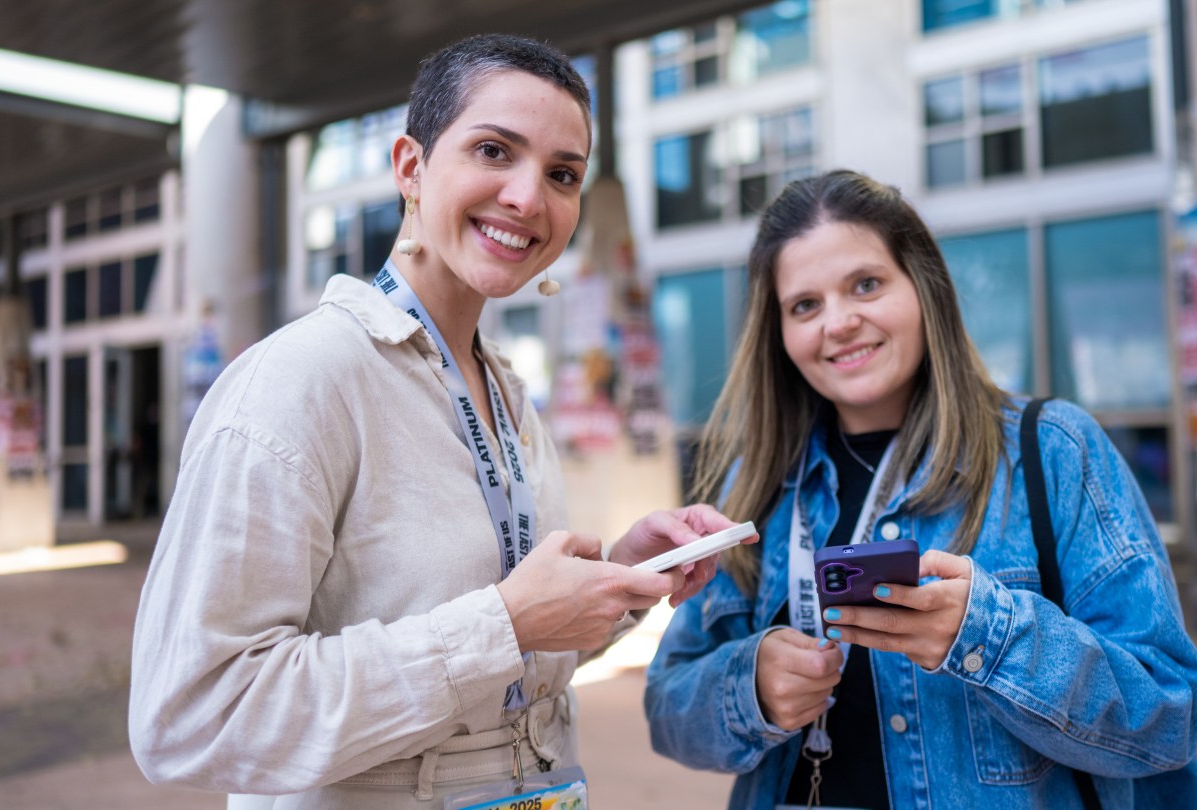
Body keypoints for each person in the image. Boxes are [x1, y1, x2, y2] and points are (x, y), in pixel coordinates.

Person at [130, 34, 743, 809]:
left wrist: (622, 580)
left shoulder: (510, 391)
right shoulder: (297, 384)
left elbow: (502, 665)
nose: (528, 198)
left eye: (562, 174)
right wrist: (506, 622)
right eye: (494, 151)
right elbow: (190, 715)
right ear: (411, 167)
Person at [644, 170, 1197, 809]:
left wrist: (985, 638)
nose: (839, 322)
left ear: (923, 289)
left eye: (866, 285)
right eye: (805, 305)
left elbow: (1168, 715)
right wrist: (748, 687)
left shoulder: (1053, 451)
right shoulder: (751, 484)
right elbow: (666, 709)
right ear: (777, 333)